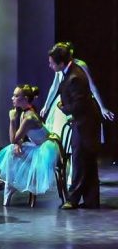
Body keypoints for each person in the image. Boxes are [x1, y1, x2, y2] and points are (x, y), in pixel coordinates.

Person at [49, 42, 102, 210]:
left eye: (51, 63)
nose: (49, 65)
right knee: (87, 160)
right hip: (83, 121)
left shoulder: (75, 77)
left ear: (61, 63)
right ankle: (91, 199)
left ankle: (72, 199)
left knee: (80, 159)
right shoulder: (69, 72)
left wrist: (62, 107)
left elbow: (80, 105)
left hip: (85, 123)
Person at [0, 85, 60, 206]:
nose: (12, 98)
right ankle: (11, 184)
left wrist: (12, 120)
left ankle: (10, 185)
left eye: (16, 95)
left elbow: (13, 139)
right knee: (13, 150)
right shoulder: (25, 112)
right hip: (37, 145)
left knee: (10, 151)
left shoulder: (29, 117)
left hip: (44, 150)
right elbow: (19, 137)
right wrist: (18, 144)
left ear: (24, 98)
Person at [40, 41, 114, 142]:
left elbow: (91, 86)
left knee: (76, 137)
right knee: (61, 134)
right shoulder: (59, 67)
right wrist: (46, 105)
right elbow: (54, 87)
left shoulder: (79, 66)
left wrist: (102, 107)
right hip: (64, 103)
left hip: (76, 104)